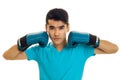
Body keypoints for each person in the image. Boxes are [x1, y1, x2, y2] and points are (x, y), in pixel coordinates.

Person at [3, 8, 119, 80]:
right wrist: (26, 40)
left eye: (61, 27)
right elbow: (7, 56)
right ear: (46, 28)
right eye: (52, 28)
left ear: (68, 27)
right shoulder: (40, 51)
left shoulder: (81, 50)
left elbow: (114, 49)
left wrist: (91, 39)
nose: (56, 33)